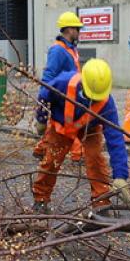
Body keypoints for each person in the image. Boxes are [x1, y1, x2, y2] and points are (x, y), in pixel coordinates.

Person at [32, 59, 130, 215]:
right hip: (61, 127)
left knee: (96, 160)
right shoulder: (64, 83)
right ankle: (41, 200)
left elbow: (115, 138)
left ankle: (101, 203)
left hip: (89, 129)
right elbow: (45, 95)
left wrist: (121, 175)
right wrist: (41, 119)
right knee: (51, 161)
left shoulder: (107, 104)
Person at [33, 12, 85, 162]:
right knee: (72, 125)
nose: (79, 32)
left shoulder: (71, 48)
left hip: (72, 93)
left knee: (57, 125)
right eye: (77, 29)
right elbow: (48, 78)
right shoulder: (58, 50)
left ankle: (41, 149)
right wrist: (42, 109)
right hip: (63, 95)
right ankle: (78, 154)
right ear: (69, 29)